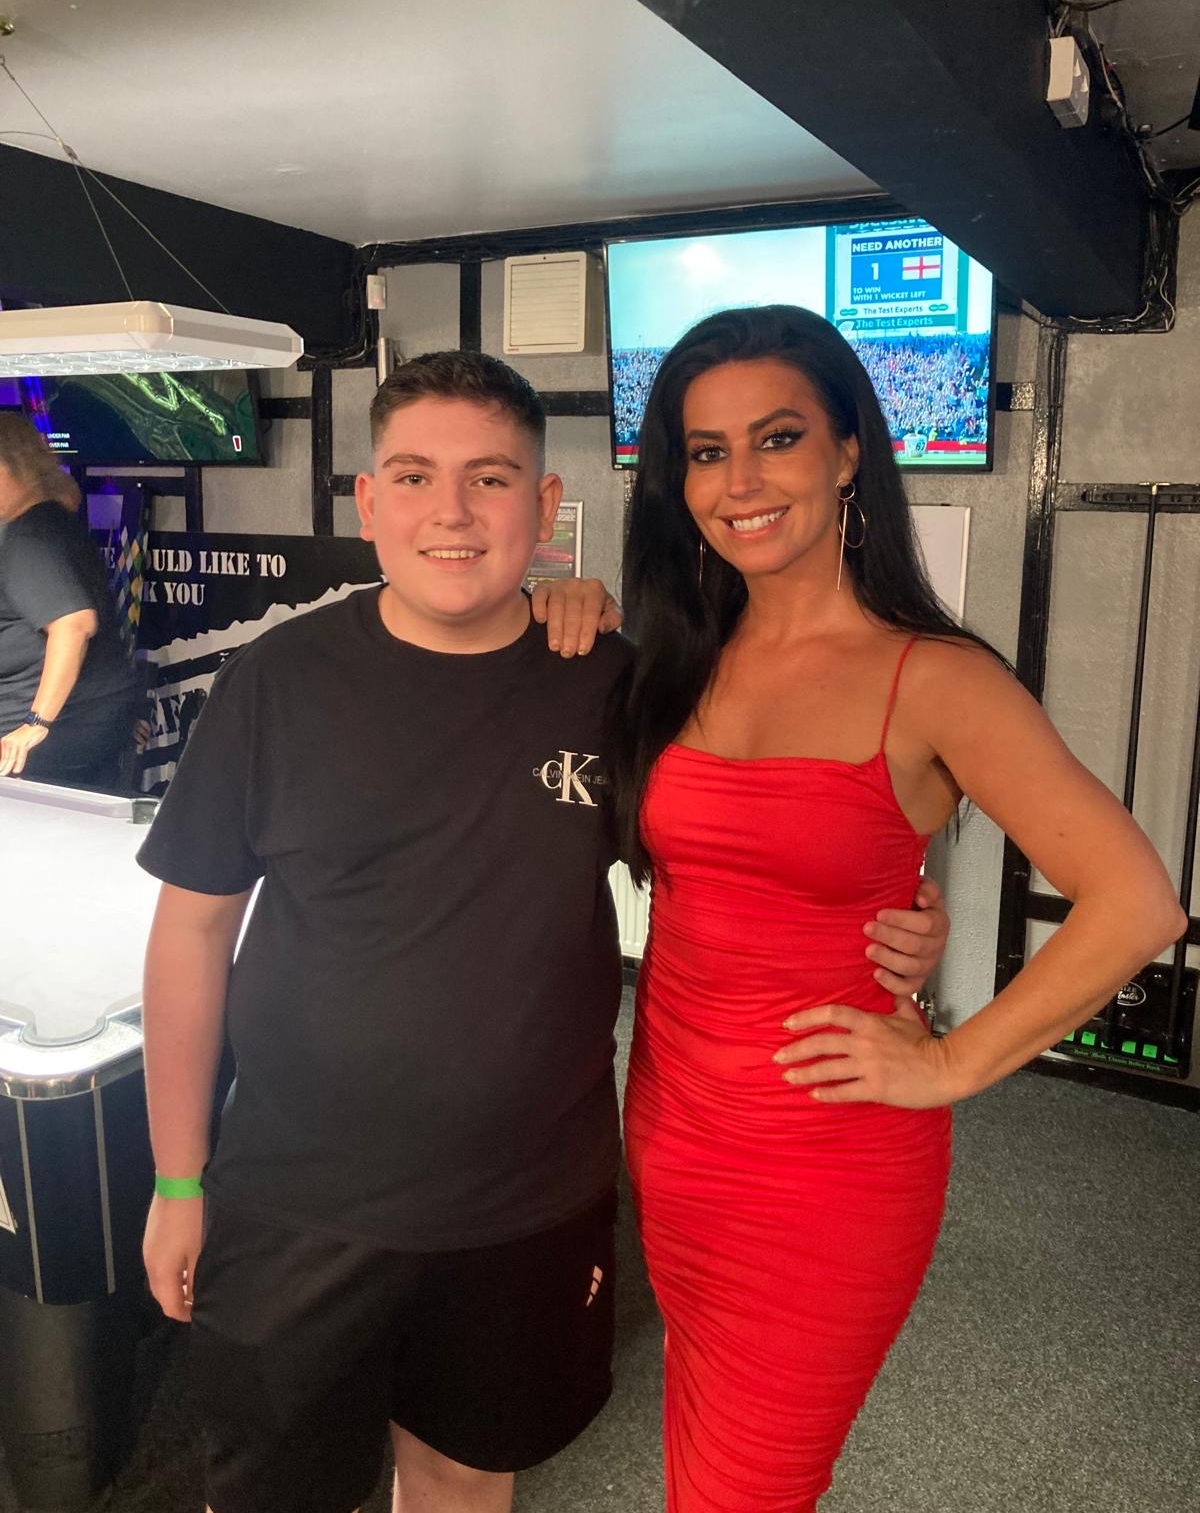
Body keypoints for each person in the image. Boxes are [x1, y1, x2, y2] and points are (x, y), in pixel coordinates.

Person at [137, 349, 948, 1513]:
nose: (451, 512)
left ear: (546, 503)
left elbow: (753, 862)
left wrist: (900, 915)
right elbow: (191, 935)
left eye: (491, 477)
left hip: (527, 1207)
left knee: (466, 1477)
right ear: (367, 501)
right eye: (413, 476)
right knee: (274, 1494)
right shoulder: (276, 681)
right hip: (295, 1198)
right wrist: (177, 1177)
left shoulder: (618, 688)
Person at [608, 304, 1187, 1513]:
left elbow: (1136, 902)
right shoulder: (679, 651)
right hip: (671, 1121)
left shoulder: (935, 675)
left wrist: (951, 1063)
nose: (740, 480)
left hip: (825, 1161)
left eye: (778, 438)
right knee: (700, 1454)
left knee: (747, 1490)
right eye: (707, 451)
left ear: (847, 454)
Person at [0, 414, 137, 787]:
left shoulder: (29, 538)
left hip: (43, 733)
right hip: (87, 720)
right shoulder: (50, 519)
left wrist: (36, 723)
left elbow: (74, 624)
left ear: (9, 469)